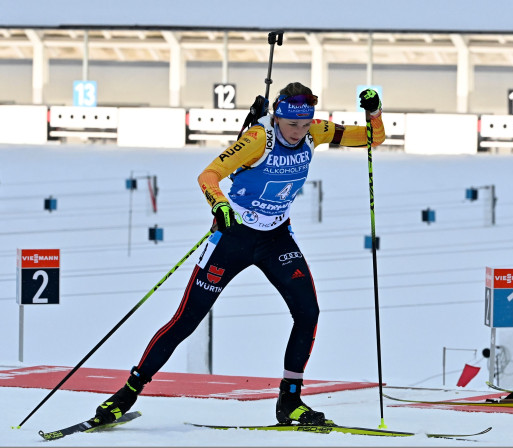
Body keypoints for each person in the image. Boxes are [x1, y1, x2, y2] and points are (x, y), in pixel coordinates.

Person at [91, 83, 385, 426]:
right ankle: (126, 394)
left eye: (305, 125)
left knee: (308, 312)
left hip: (276, 238)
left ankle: (290, 399)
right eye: (292, 125)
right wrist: (219, 203)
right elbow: (209, 175)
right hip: (235, 236)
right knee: (185, 320)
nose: (299, 132)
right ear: (277, 117)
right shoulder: (259, 139)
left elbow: (371, 138)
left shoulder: (315, 132)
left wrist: (374, 110)